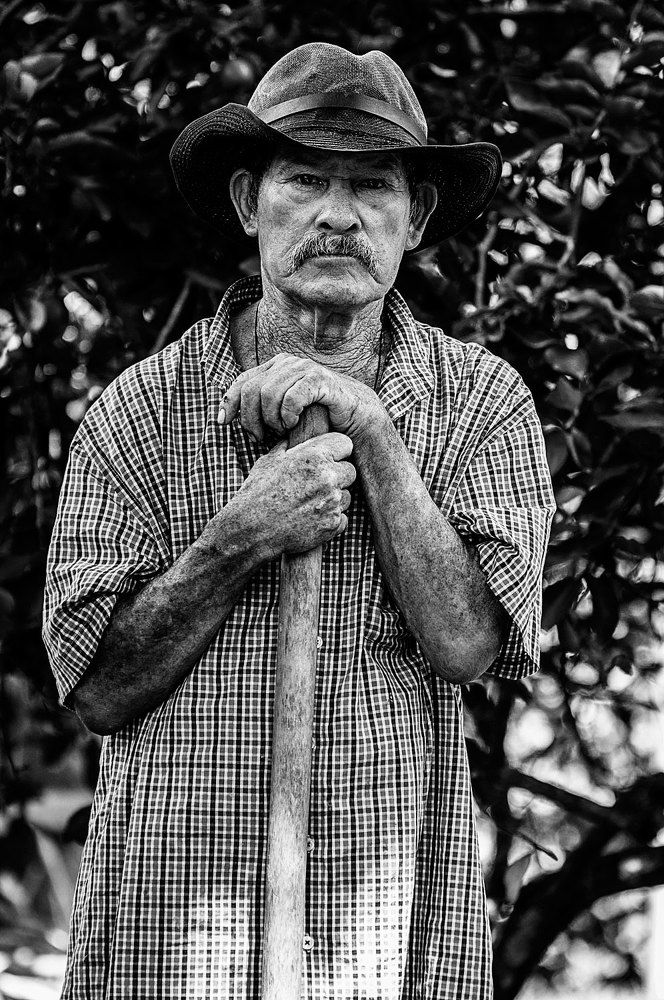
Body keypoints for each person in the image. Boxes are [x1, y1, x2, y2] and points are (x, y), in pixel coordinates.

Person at [42, 42, 555, 1000]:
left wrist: (373, 433)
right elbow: (97, 691)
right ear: (250, 202)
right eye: (306, 179)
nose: (338, 215)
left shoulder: (483, 403)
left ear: (415, 217)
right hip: (172, 926)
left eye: (372, 186)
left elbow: (468, 645)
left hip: (385, 929)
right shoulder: (139, 411)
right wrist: (241, 533)